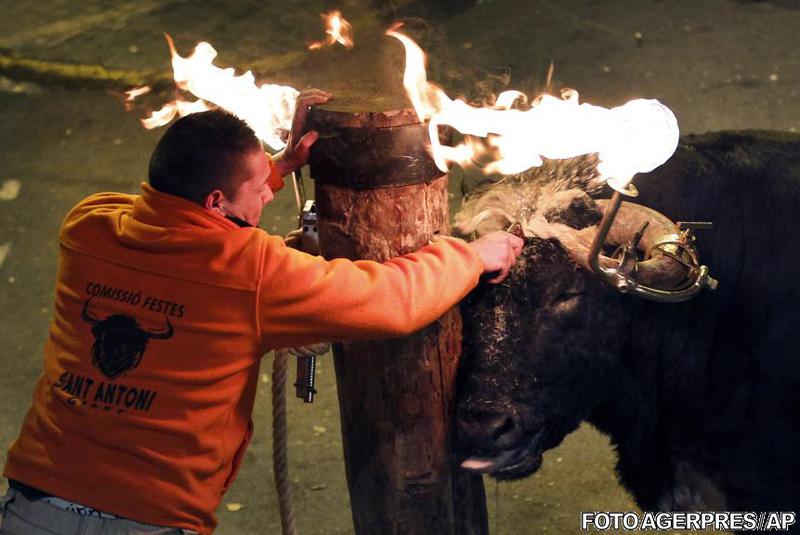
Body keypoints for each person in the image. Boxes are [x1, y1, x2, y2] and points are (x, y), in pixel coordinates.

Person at [0, 90, 523, 534]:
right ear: (214, 203)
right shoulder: (250, 271)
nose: (264, 201)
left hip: (33, 501)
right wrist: (474, 255)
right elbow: (391, 300)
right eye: (256, 192)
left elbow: (190, 213)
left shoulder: (88, 227)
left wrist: (275, 167)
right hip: (150, 516)